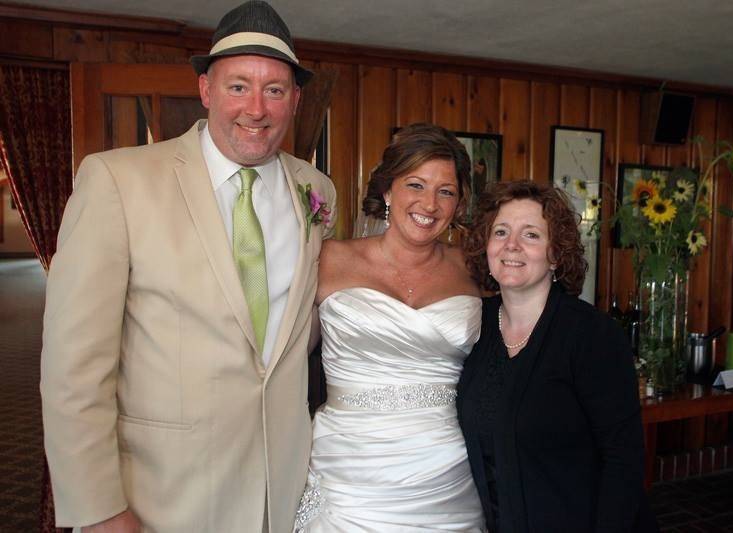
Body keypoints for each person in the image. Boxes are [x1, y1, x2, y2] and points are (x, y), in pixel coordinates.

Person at [40, 2, 335, 532]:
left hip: (283, 491)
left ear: (295, 99)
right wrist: (100, 509)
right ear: (205, 90)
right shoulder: (117, 180)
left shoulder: (316, 191)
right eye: (238, 85)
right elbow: (73, 369)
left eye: (274, 89)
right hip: (163, 498)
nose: (257, 107)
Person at [294, 123, 486, 532]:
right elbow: (285, 349)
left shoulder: (475, 269)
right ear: (387, 190)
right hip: (348, 471)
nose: (429, 204)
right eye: (415, 185)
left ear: (458, 204)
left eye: (446, 191)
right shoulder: (328, 259)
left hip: (445, 473)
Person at [458, 181, 656, 532]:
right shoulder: (474, 325)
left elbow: (622, 460)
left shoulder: (592, 335)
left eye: (531, 235)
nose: (511, 245)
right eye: (500, 232)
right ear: (485, 246)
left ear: (555, 254)